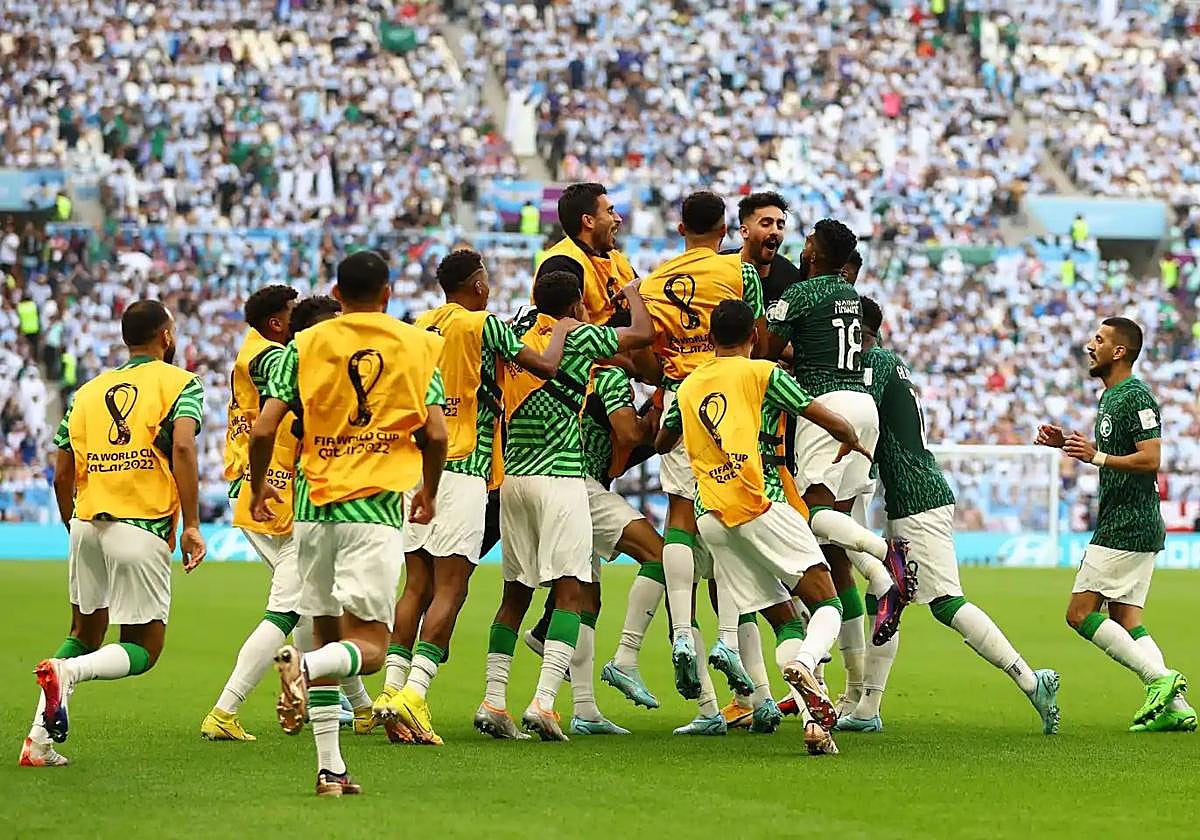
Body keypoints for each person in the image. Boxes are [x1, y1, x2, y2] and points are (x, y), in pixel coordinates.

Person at [249, 250, 448, 796]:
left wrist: (261, 481)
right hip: (375, 509)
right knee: (371, 647)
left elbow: (265, 427)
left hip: (314, 508)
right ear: (388, 294)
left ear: (336, 296)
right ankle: (306, 669)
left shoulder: (303, 346)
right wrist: (428, 492)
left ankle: (330, 768)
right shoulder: (416, 345)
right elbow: (434, 434)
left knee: (327, 632)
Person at [373, 249, 575, 745]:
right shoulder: (484, 324)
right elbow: (545, 366)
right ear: (477, 283)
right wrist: (565, 328)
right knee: (452, 588)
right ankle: (414, 696)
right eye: (486, 278)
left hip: (417, 471)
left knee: (415, 586)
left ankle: (389, 691)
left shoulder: (420, 324)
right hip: (462, 469)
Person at [835, 297, 1060, 735]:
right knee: (886, 596)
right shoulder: (893, 364)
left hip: (919, 497)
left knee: (946, 603)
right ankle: (866, 709)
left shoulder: (876, 364)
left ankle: (1032, 682)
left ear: (859, 331)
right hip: (911, 496)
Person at [657, 300, 871, 755]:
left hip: (708, 516)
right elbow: (815, 412)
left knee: (784, 618)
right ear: (753, 337)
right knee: (826, 600)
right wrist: (850, 436)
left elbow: (661, 440)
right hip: (757, 503)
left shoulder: (689, 385)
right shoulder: (761, 372)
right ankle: (809, 664)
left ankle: (815, 724)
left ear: (712, 338)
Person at [21, 300, 206, 768]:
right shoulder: (181, 383)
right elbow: (183, 445)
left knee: (84, 632)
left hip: (86, 523)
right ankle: (70, 673)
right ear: (166, 337)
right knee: (144, 647)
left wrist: (72, 522)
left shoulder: (86, 392)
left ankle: (37, 743)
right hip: (140, 525)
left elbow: (62, 470)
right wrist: (193, 524)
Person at [475, 269, 653, 742]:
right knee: (572, 591)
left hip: (512, 479)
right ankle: (545, 703)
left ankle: (494, 700)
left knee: (515, 594)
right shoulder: (577, 336)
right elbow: (641, 335)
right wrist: (634, 294)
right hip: (561, 478)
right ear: (576, 303)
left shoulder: (516, 338)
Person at [201, 289, 367, 741]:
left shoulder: (254, 353)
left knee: (317, 603)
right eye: (292, 316)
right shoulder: (273, 359)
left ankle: (360, 707)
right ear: (277, 324)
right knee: (290, 607)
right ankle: (225, 709)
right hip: (275, 493)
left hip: (262, 487)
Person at [764, 218, 912, 719]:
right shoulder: (850, 295)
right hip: (861, 405)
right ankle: (852, 690)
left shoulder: (803, 293)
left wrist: (783, 345)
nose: (801, 246)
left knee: (815, 519)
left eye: (806, 241)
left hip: (824, 407)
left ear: (815, 251)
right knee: (834, 551)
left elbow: (763, 350)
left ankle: (884, 564)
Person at [638, 190, 766, 719]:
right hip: (730, 400)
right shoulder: (741, 274)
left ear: (681, 227)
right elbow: (752, 334)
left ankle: (683, 634)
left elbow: (644, 346)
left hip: (680, 398)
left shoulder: (652, 282)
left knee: (680, 517)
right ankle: (732, 648)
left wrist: (668, 376)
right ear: (723, 230)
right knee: (731, 527)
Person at [1037, 317, 1194, 733]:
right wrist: (1070, 443)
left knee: (1079, 614)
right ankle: (1176, 707)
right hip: (1128, 521)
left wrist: (1097, 458)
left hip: (1127, 524)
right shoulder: (1110, 397)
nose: (1091, 345)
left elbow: (1151, 458)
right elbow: (1108, 450)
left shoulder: (1135, 396)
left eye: (1100, 340)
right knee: (1126, 617)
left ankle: (1160, 680)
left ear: (1119, 351)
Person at [534, 182, 636, 325]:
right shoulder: (561, 264)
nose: (618, 218)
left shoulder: (617, 258)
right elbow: (569, 337)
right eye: (610, 211)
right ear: (588, 221)